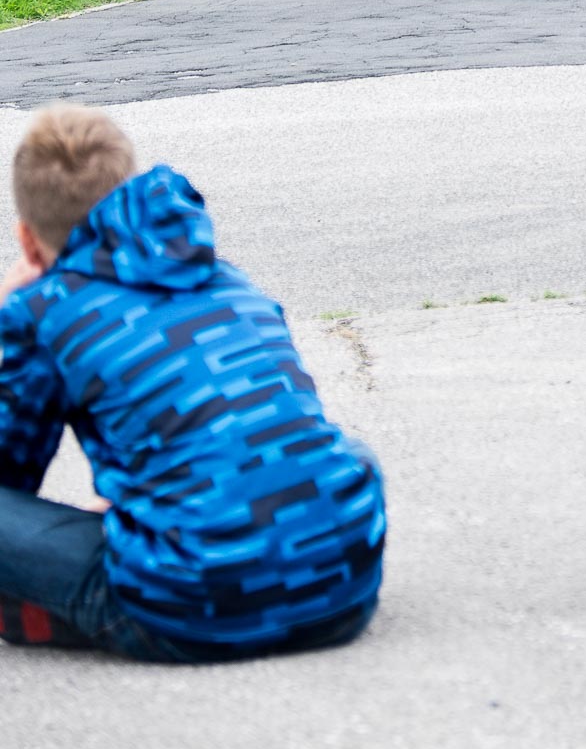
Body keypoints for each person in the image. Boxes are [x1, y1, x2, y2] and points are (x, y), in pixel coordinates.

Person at [0, 104, 385, 660]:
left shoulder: (43, 310)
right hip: (345, 587)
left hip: (192, 610)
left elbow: (11, 475)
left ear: (27, 239)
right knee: (335, 452)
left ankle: (54, 612)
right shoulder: (224, 275)